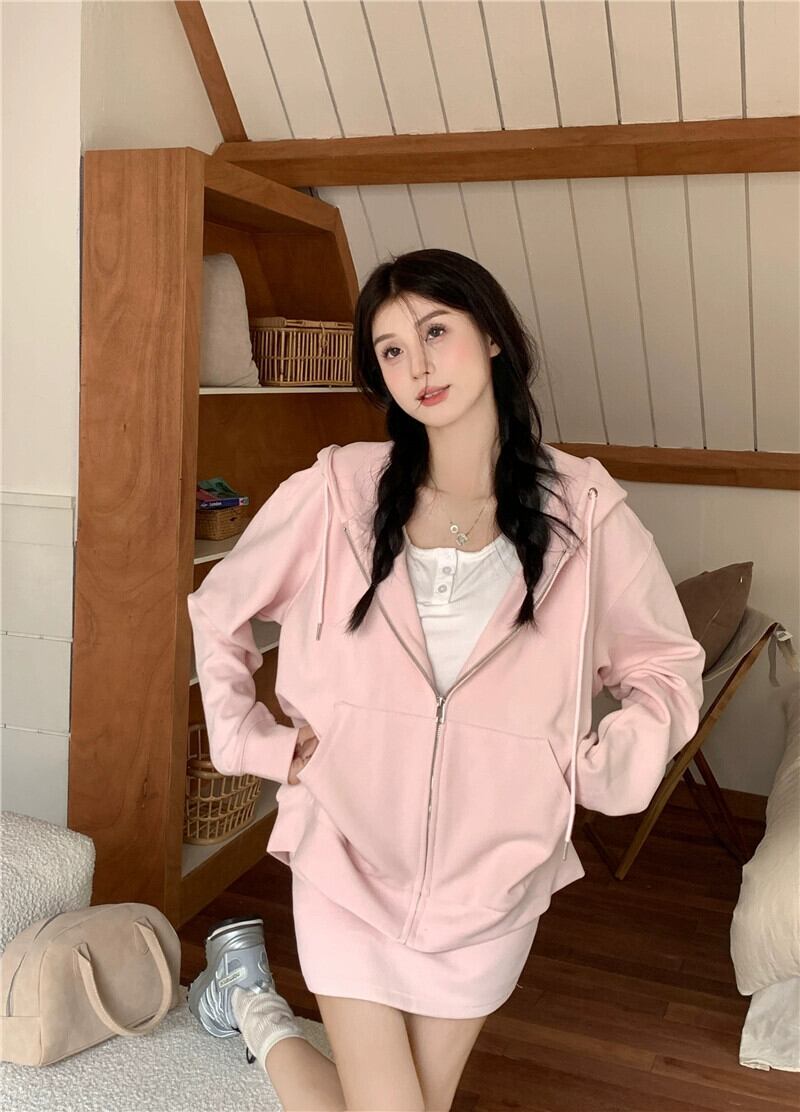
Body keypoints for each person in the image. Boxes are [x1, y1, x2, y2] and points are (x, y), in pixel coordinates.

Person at [186, 248, 706, 1110]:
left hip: (493, 878)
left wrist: (593, 768)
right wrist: (255, 743)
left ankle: (246, 1002)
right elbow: (219, 608)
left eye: (435, 332)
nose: (417, 367)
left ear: (492, 336)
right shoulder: (338, 491)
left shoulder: (585, 511)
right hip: (346, 852)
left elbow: (666, 665)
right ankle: (251, 1004)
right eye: (391, 350)